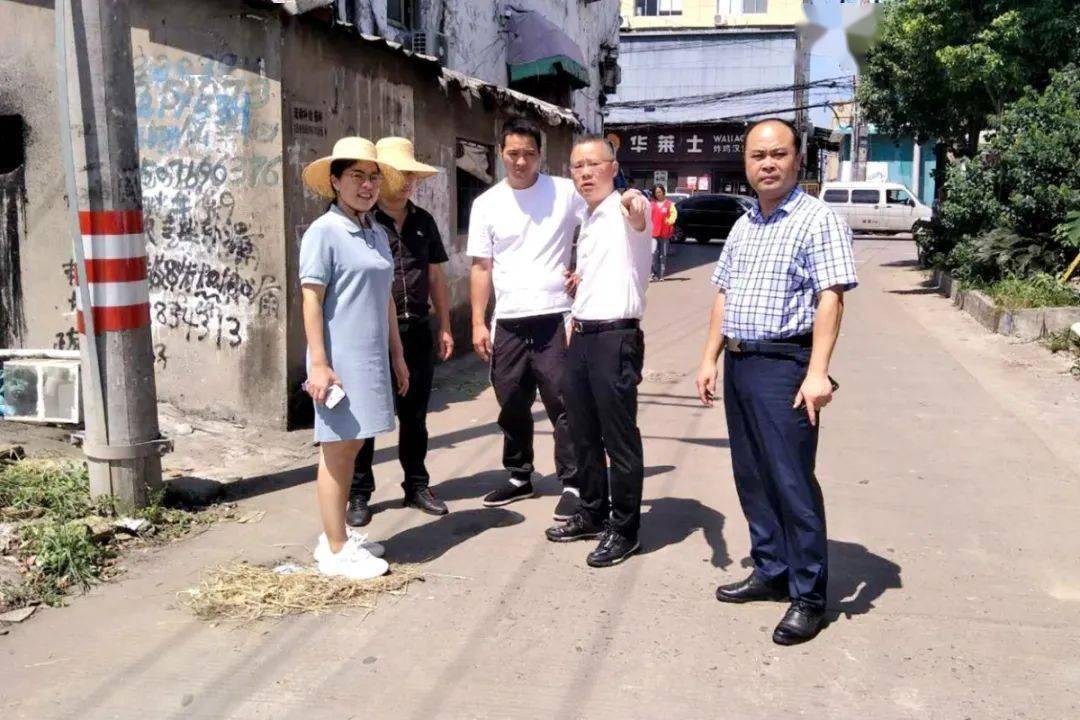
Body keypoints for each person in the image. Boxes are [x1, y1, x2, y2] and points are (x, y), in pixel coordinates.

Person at [695, 118, 858, 645]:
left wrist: (817, 372)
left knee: (791, 480)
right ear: (745, 163)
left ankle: (808, 596)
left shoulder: (817, 220)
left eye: (778, 154)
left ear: (797, 159)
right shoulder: (745, 224)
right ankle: (771, 568)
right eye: (757, 156)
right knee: (752, 475)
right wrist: (710, 358)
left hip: (786, 366)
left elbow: (831, 296)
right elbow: (723, 294)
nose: (767, 164)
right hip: (741, 363)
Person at [467, 116, 644, 521]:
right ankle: (519, 475)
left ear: (540, 156)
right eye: (513, 153)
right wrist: (477, 321)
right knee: (510, 400)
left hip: (556, 317)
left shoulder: (566, 192)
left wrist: (583, 267)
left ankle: (573, 482)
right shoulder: (486, 204)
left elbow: (605, 216)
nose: (521, 161)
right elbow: (481, 266)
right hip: (508, 319)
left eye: (529, 154)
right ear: (501, 154)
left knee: (563, 403)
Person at [298, 136, 410, 580]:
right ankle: (335, 548)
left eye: (373, 177)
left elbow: (386, 300)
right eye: (357, 176)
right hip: (339, 356)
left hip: (370, 356)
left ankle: (337, 533)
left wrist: (397, 354)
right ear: (335, 181)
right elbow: (311, 298)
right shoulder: (324, 232)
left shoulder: (375, 231)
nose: (367, 185)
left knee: (356, 442)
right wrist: (319, 363)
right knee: (338, 448)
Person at [544, 137, 652, 568]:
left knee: (618, 438)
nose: (585, 173)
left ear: (614, 167)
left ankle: (625, 529)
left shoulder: (626, 208)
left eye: (594, 164)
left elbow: (638, 212)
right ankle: (592, 511)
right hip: (583, 335)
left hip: (615, 338)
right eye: (577, 166)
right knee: (582, 432)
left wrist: (635, 201)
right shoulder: (587, 219)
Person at [346, 137, 452, 527]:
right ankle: (359, 493)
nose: (407, 182)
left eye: (412, 175)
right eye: (398, 174)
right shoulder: (362, 222)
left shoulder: (424, 221)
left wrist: (444, 325)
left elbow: (436, 276)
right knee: (366, 416)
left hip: (417, 331)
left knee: (415, 415)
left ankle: (416, 485)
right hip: (371, 334)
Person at [649, 185, 677, 281]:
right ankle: (653, 273)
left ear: (663, 192)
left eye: (660, 192)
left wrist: (670, 221)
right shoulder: (651, 204)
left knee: (663, 254)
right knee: (653, 252)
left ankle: (661, 275)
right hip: (653, 233)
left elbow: (674, 215)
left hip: (665, 233)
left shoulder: (670, 204)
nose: (658, 194)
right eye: (656, 192)